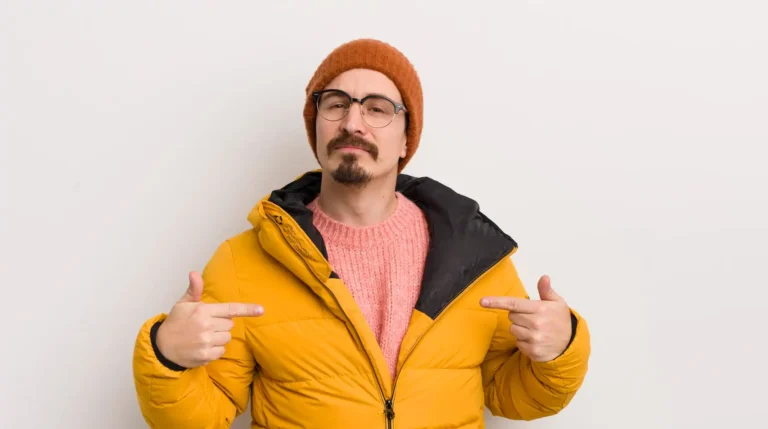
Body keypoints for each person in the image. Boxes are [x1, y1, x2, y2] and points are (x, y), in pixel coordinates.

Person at [132, 38, 591, 429]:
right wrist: (168, 357)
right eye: (335, 104)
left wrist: (559, 350)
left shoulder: (474, 258)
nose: (353, 122)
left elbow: (513, 396)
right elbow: (202, 414)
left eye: (377, 109)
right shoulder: (243, 262)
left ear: (407, 137)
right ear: (315, 125)